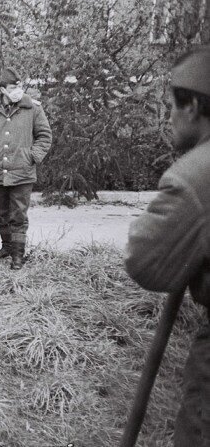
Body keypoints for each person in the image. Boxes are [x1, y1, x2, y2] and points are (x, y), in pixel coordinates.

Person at [124, 46, 210, 446]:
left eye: (170, 106)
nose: (168, 118)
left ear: (193, 106)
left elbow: (147, 262)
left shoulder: (197, 174)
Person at [0, 67, 52, 270]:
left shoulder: (33, 109)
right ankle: (6, 247)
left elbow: (45, 136)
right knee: (1, 213)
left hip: (22, 172)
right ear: (2, 89)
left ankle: (18, 255)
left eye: (19, 85)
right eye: (12, 86)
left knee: (18, 215)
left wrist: (32, 157)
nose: (18, 89)